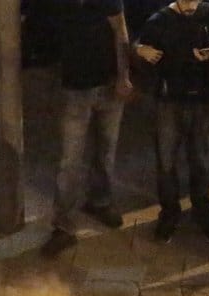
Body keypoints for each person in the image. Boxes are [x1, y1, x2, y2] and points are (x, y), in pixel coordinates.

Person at [39, 0, 132, 258]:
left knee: (105, 149)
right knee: (70, 160)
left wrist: (123, 77)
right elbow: (48, 40)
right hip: (75, 87)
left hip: (106, 83)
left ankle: (100, 201)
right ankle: (63, 225)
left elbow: (120, 33)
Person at [132, 0, 209, 245]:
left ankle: (203, 213)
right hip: (169, 100)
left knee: (199, 161)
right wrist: (141, 51)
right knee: (166, 162)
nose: (190, 4)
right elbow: (138, 46)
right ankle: (169, 214)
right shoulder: (161, 19)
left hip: (201, 99)